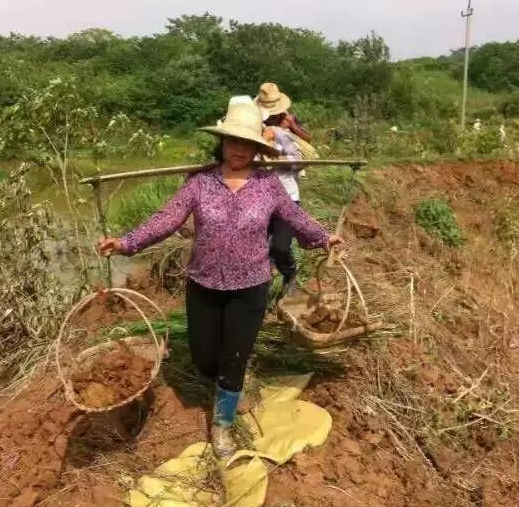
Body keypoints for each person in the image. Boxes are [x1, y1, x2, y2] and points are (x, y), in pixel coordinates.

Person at [99, 97, 342, 459]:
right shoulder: (200, 183)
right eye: (233, 141)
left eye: (246, 143)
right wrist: (126, 242)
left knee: (235, 357)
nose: (239, 150)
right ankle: (225, 384)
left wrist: (324, 238)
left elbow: (294, 217)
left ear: (257, 147)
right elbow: (167, 218)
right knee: (204, 355)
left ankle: (223, 423)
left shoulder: (268, 185)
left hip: (251, 286)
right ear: (222, 142)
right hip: (204, 284)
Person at [262, 110, 303, 297]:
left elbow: (300, 161)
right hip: (257, 199)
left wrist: (278, 159)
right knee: (255, 247)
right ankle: (260, 286)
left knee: (280, 246)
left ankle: (290, 272)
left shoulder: (283, 135)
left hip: (287, 197)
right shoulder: (247, 135)